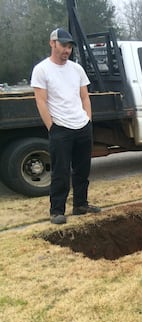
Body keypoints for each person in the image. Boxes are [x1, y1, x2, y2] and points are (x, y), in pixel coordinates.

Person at [31, 28, 100, 225]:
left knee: (82, 169)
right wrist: (52, 127)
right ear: (52, 43)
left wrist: (88, 120)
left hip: (82, 126)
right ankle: (57, 211)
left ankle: (80, 204)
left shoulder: (76, 69)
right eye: (63, 45)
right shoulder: (42, 70)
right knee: (61, 171)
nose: (66, 50)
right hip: (60, 128)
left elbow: (84, 96)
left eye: (69, 47)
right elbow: (41, 102)